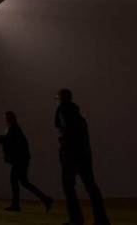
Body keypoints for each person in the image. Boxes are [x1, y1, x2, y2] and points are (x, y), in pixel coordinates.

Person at [55, 89, 109, 224]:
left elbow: (60, 127)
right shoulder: (81, 119)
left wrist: (63, 150)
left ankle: (76, 219)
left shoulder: (62, 110)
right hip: (84, 157)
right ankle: (102, 220)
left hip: (70, 157)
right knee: (91, 188)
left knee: (69, 188)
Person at [0, 111, 53, 212]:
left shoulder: (13, 129)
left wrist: (3, 140)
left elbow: (12, 143)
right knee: (24, 182)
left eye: (5, 118)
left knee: (15, 181)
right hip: (22, 159)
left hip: (19, 160)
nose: (5, 120)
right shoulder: (14, 128)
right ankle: (46, 199)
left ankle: (16, 205)